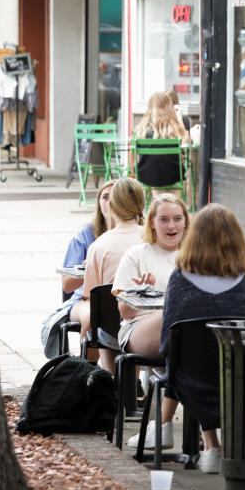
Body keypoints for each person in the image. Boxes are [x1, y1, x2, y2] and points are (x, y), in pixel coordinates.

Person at [161, 204, 245, 474]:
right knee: (227, 368)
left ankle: (210, 446)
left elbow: (168, 341)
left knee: (190, 365)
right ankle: (227, 449)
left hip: (192, 383)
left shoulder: (179, 279)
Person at [113, 194, 190, 450]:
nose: (172, 226)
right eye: (165, 219)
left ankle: (168, 429)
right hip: (139, 328)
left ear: (186, 223)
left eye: (178, 219)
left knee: (190, 344)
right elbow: (124, 311)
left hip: (181, 334)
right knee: (181, 317)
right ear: (152, 223)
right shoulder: (137, 254)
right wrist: (141, 292)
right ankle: (164, 428)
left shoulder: (193, 257)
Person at [72, 177, 146, 374]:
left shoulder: (99, 246)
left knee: (103, 320)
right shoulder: (153, 239)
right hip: (155, 330)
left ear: (112, 205)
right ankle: (131, 384)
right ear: (141, 204)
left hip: (114, 331)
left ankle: (108, 382)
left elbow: (92, 296)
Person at [40, 179, 115, 358]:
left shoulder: (139, 233)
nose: (110, 202)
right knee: (94, 316)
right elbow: (67, 285)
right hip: (85, 299)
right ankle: (87, 376)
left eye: (115, 196)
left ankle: (130, 382)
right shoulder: (85, 234)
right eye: (105, 197)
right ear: (98, 203)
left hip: (124, 299)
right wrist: (91, 266)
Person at [134, 90, 190, 188]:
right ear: (169, 107)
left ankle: (158, 199)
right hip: (174, 175)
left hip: (147, 175)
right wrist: (179, 118)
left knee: (155, 170)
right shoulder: (174, 129)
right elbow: (187, 142)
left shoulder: (142, 128)